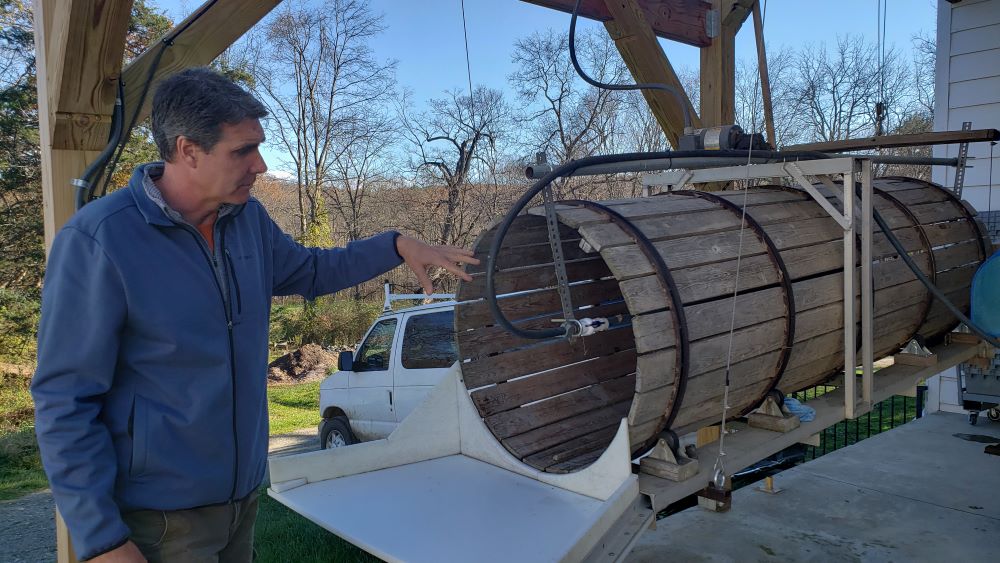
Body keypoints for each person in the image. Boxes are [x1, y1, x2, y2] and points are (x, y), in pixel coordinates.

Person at [31, 67, 478, 562]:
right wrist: (101, 541)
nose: (261, 165)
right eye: (243, 150)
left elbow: (311, 270)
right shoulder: (101, 240)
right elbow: (64, 398)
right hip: (158, 522)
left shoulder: (246, 221)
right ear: (187, 150)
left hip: (240, 502)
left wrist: (393, 244)